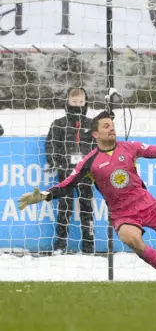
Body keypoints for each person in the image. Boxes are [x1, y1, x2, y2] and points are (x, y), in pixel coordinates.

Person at [20, 111, 156, 281]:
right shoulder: (89, 161)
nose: (112, 128)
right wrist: (45, 195)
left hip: (150, 206)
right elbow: (68, 185)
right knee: (132, 240)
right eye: (106, 126)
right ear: (95, 134)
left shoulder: (130, 147)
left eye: (113, 125)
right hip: (123, 214)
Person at [45, 87, 96, 254]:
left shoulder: (92, 124)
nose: (77, 105)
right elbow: (51, 144)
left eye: (81, 102)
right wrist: (57, 162)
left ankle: (89, 246)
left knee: (87, 209)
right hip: (66, 173)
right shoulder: (59, 123)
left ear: (86, 103)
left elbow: (99, 147)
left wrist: (93, 165)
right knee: (64, 208)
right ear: (67, 102)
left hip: (86, 174)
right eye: (74, 102)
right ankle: (60, 245)